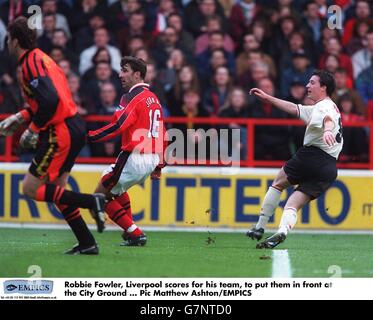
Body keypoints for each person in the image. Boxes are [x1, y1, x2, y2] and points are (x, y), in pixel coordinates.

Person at [0, 17, 106, 255]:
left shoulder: (30, 63)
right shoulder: (42, 59)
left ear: (15, 41)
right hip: (73, 126)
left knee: (30, 188)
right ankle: (87, 242)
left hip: (60, 130)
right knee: (59, 190)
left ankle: (93, 202)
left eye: (8, 38)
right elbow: (49, 99)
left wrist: (33, 129)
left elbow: (51, 100)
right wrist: (21, 116)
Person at [246, 70, 343, 249]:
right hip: (329, 167)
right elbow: (294, 108)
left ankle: (259, 227)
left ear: (324, 87)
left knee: (278, 183)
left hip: (312, 156)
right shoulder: (324, 107)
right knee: (293, 204)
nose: (307, 86)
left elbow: (327, 120)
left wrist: (328, 130)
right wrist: (269, 98)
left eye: (312, 83)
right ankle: (283, 230)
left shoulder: (324, 107)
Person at [88, 56, 166, 246]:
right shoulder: (153, 99)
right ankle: (130, 231)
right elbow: (162, 133)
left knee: (99, 197)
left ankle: (134, 232)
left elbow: (118, 125)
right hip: (150, 159)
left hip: (133, 157)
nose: (120, 74)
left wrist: (90, 136)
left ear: (137, 74)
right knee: (116, 190)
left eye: (124, 70)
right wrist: (159, 166)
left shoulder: (131, 97)